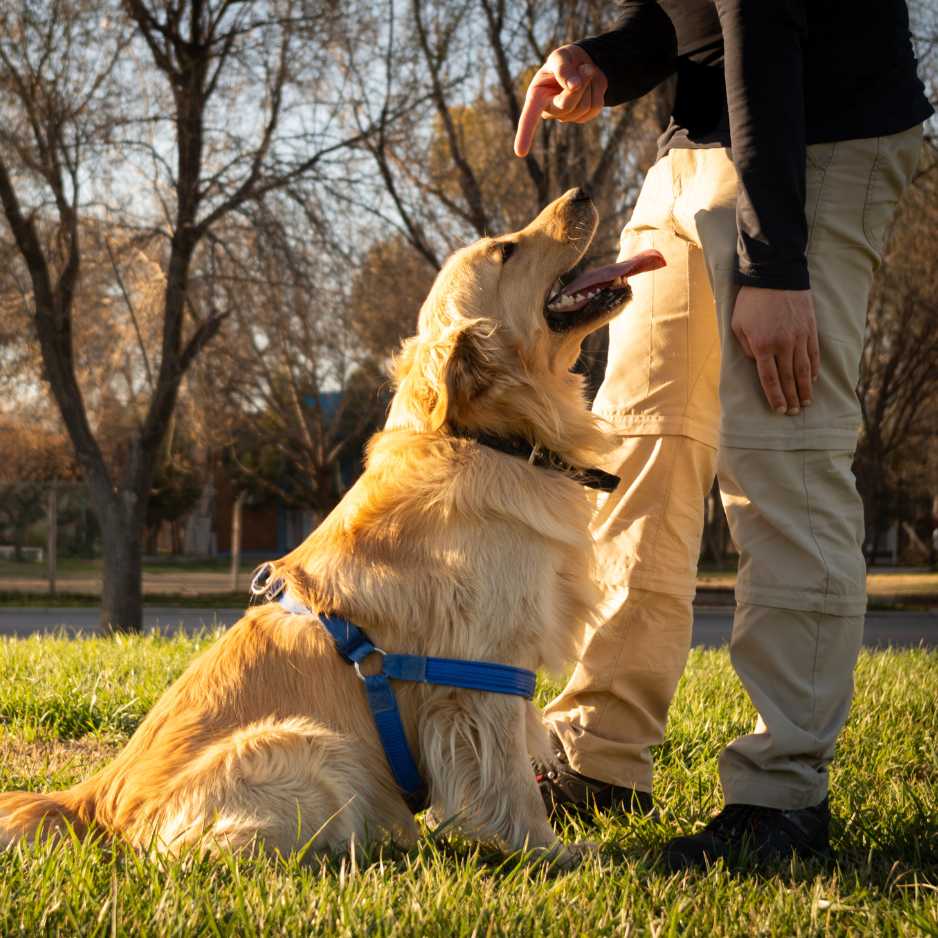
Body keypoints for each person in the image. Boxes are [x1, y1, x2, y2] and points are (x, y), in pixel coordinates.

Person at [515, 0, 932, 869]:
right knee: (636, 449)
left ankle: (780, 799)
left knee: (782, 459)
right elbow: (684, 16)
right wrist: (606, 61)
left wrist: (774, 264)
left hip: (810, 147)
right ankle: (599, 756)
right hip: (692, 151)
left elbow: (766, 12)